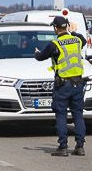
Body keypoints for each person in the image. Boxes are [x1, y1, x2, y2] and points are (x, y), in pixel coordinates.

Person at [34, 15, 87, 156]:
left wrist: (36, 53)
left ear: (56, 28)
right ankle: (80, 146)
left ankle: (63, 147)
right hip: (78, 84)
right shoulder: (77, 40)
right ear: (67, 26)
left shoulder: (55, 44)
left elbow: (41, 57)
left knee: (61, 115)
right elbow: (82, 39)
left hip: (63, 85)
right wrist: (73, 31)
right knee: (78, 114)